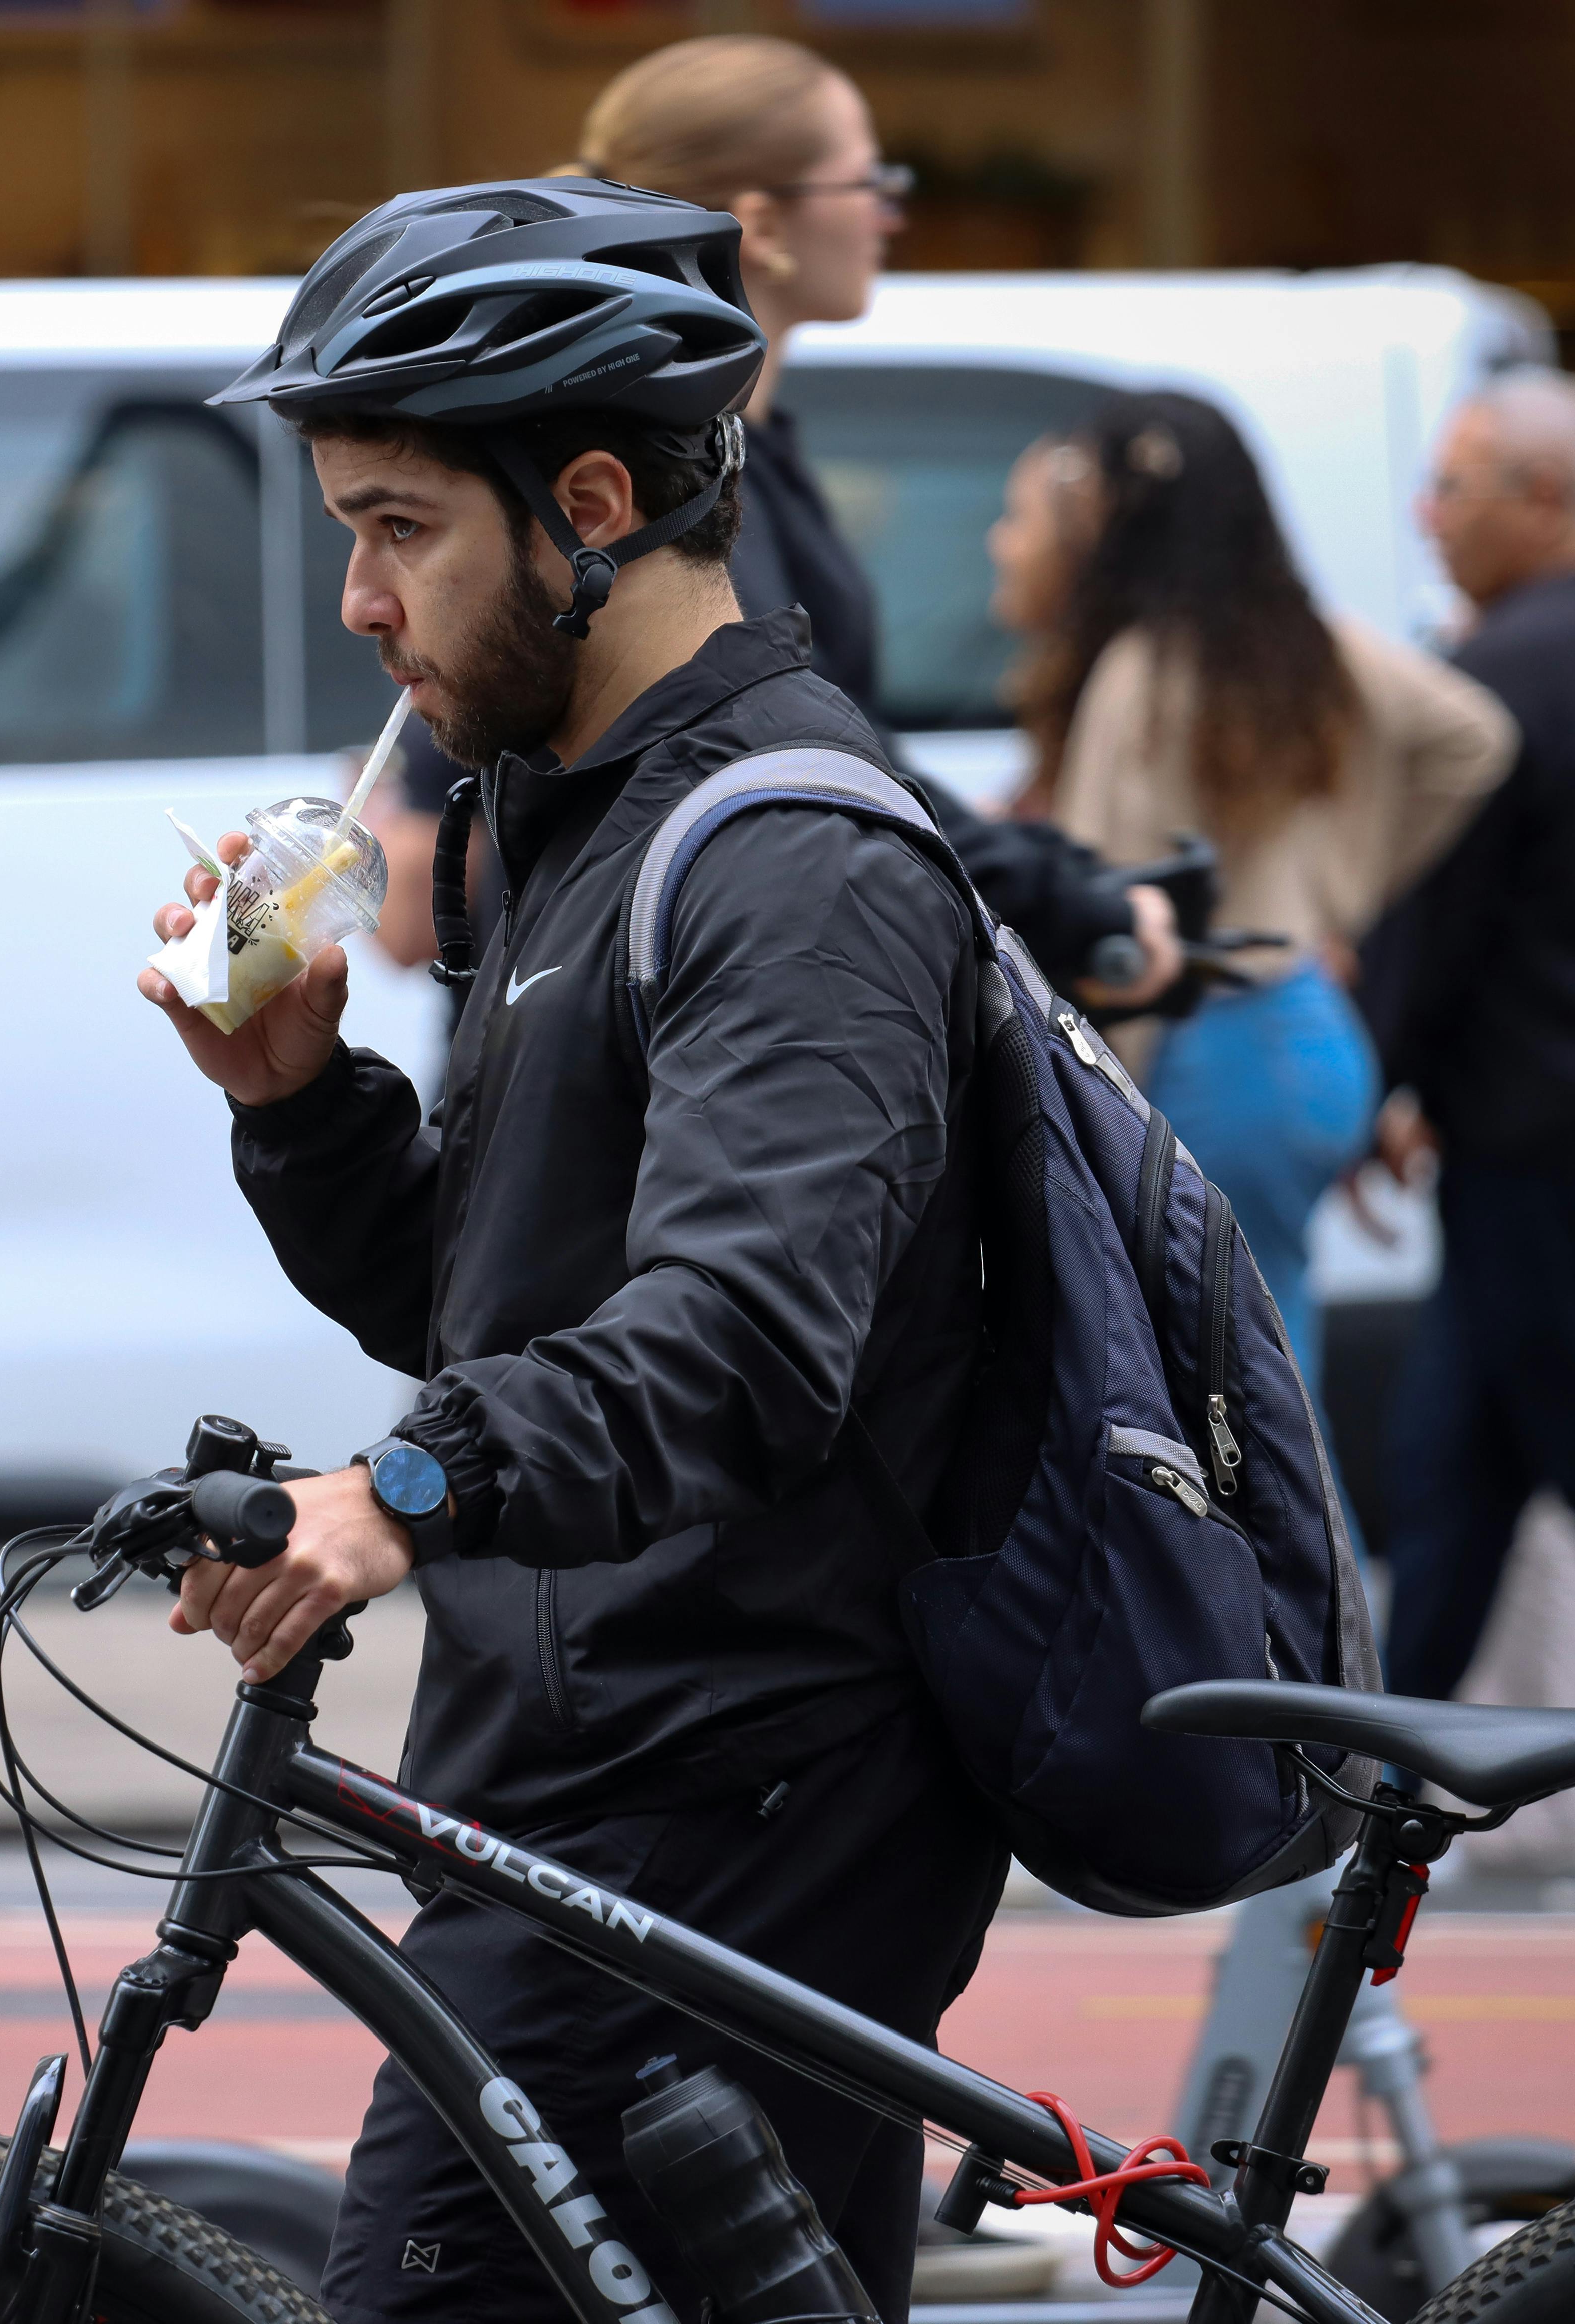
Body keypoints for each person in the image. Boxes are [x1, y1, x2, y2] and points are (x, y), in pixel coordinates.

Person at [144, 178, 1008, 2324]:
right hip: (590, 1760)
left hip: (731, 1781)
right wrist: (297, 1096)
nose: (356, 599)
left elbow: (734, 1349)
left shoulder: (784, 852)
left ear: (592, 502)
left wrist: (397, 1491)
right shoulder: (578, 806)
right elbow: (504, 1303)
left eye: (396, 525)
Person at [547, 32, 1180, 1013]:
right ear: (760, 222)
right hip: (692, 1008)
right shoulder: (677, 480)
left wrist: (1063, 881)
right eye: (866, 180)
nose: (890, 212)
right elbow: (820, 763)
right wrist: (1068, 898)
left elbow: (846, 752)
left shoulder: (753, 448)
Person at [988, 390, 1512, 1385]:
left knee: (1234, 1404)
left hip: (1208, 1050)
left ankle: (1304, 1552)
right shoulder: (1300, 637)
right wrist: (1339, 894)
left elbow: (1112, 922)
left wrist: (1093, 1112)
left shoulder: (1140, 671)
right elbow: (1470, 738)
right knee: (1272, 1372)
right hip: (1309, 1035)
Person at [1358, 369, 1575, 1701]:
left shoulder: (1500, 674)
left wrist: (1368, 1083)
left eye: (1453, 486)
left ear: (1542, 501)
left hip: (1534, 1146)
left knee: (1508, 1452)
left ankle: (1358, 1833)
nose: (1426, 513)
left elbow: (1429, 920)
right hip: (1530, 1140)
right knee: (1454, 1482)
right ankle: (1365, 1829)